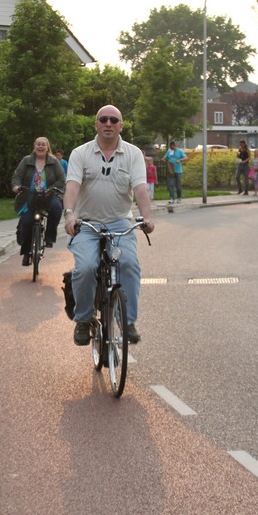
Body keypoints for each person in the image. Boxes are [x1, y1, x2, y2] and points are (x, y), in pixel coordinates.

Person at [63, 106, 155, 346]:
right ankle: (83, 320)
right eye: (103, 119)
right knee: (85, 267)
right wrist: (70, 215)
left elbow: (140, 189)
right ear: (96, 124)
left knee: (129, 264)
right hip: (87, 223)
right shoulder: (80, 153)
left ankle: (128, 321)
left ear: (121, 126)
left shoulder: (133, 154)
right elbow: (72, 186)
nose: (108, 123)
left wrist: (147, 218)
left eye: (114, 120)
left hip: (119, 222)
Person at [12, 137, 66, 266]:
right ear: (34, 146)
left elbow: (61, 179)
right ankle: (26, 253)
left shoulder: (54, 161)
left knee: (56, 208)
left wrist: (52, 189)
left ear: (47, 148)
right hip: (30, 196)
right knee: (26, 224)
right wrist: (16, 186)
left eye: (43, 145)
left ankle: (49, 237)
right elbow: (17, 176)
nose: (41, 147)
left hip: (49, 195)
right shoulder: (26, 161)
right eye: (38, 144)